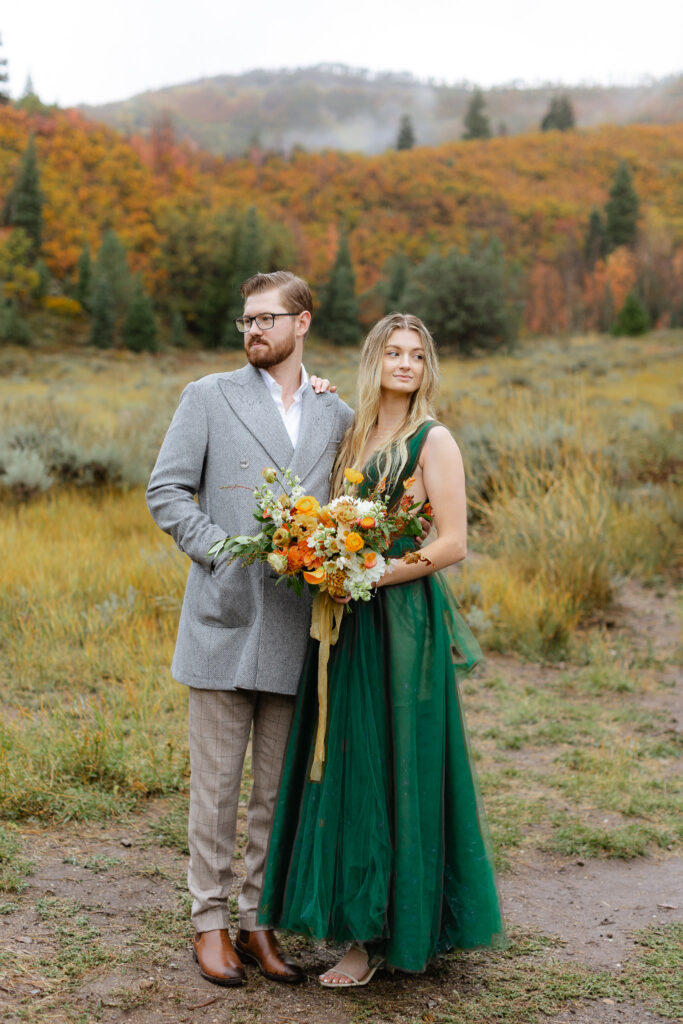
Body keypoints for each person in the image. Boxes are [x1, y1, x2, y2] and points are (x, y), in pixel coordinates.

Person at [259, 312, 505, 986]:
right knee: (345, 761)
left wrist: (371, 573)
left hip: (398, 620)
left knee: (391, 761)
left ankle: (379, 936)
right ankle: (354, 915)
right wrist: (319, 560)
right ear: (375, 361)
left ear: (427, 368)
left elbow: (453, 541)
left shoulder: (434, 440)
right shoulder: (352, 434)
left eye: (416, 355)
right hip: (343, 621)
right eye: (392, 353)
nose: (404, 364)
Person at [146, 271, 353, 987]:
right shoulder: (208, 397)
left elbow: (346, 509)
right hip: (222, 618)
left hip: (299, 630)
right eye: (244, 322)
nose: (252, 331)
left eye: (266, 319)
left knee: (274, 791)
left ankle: (259, 919)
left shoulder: (337, 415)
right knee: (214, 790)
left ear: (301, 324)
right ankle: (209, 924)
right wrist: (218, 553)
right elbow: (166, 490)